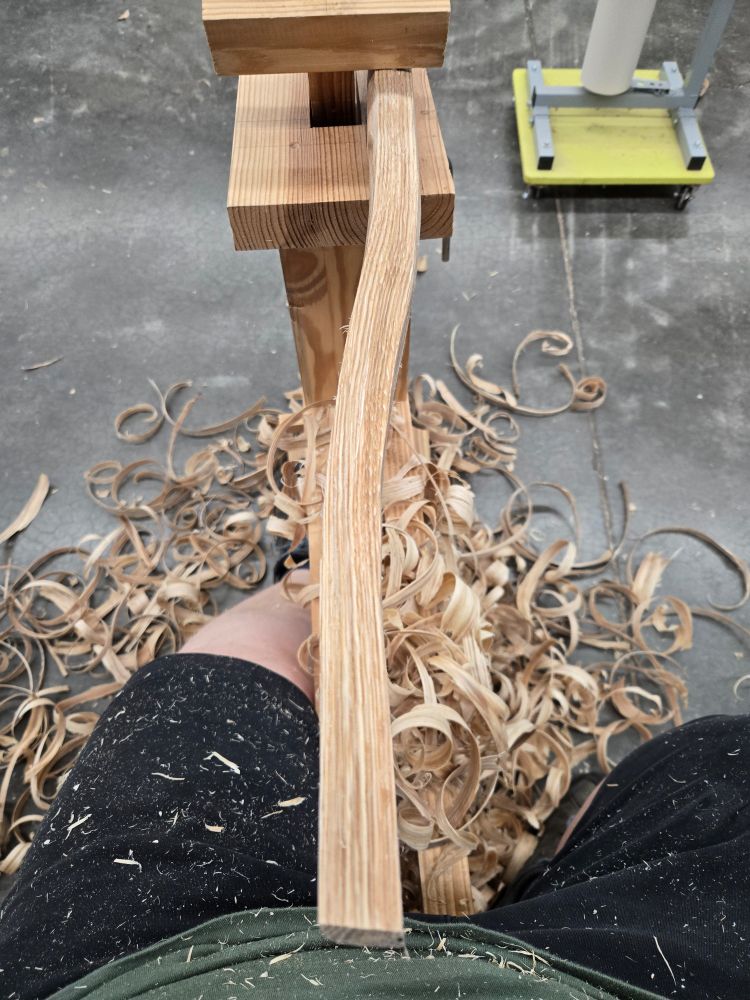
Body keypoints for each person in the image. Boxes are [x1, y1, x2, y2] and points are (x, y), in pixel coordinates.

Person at [0, 574, 748, 1000]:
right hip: (608, 987)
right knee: (719, 765)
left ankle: (299, 576)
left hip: (153, 980)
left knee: (227, 682)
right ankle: (562, 874)